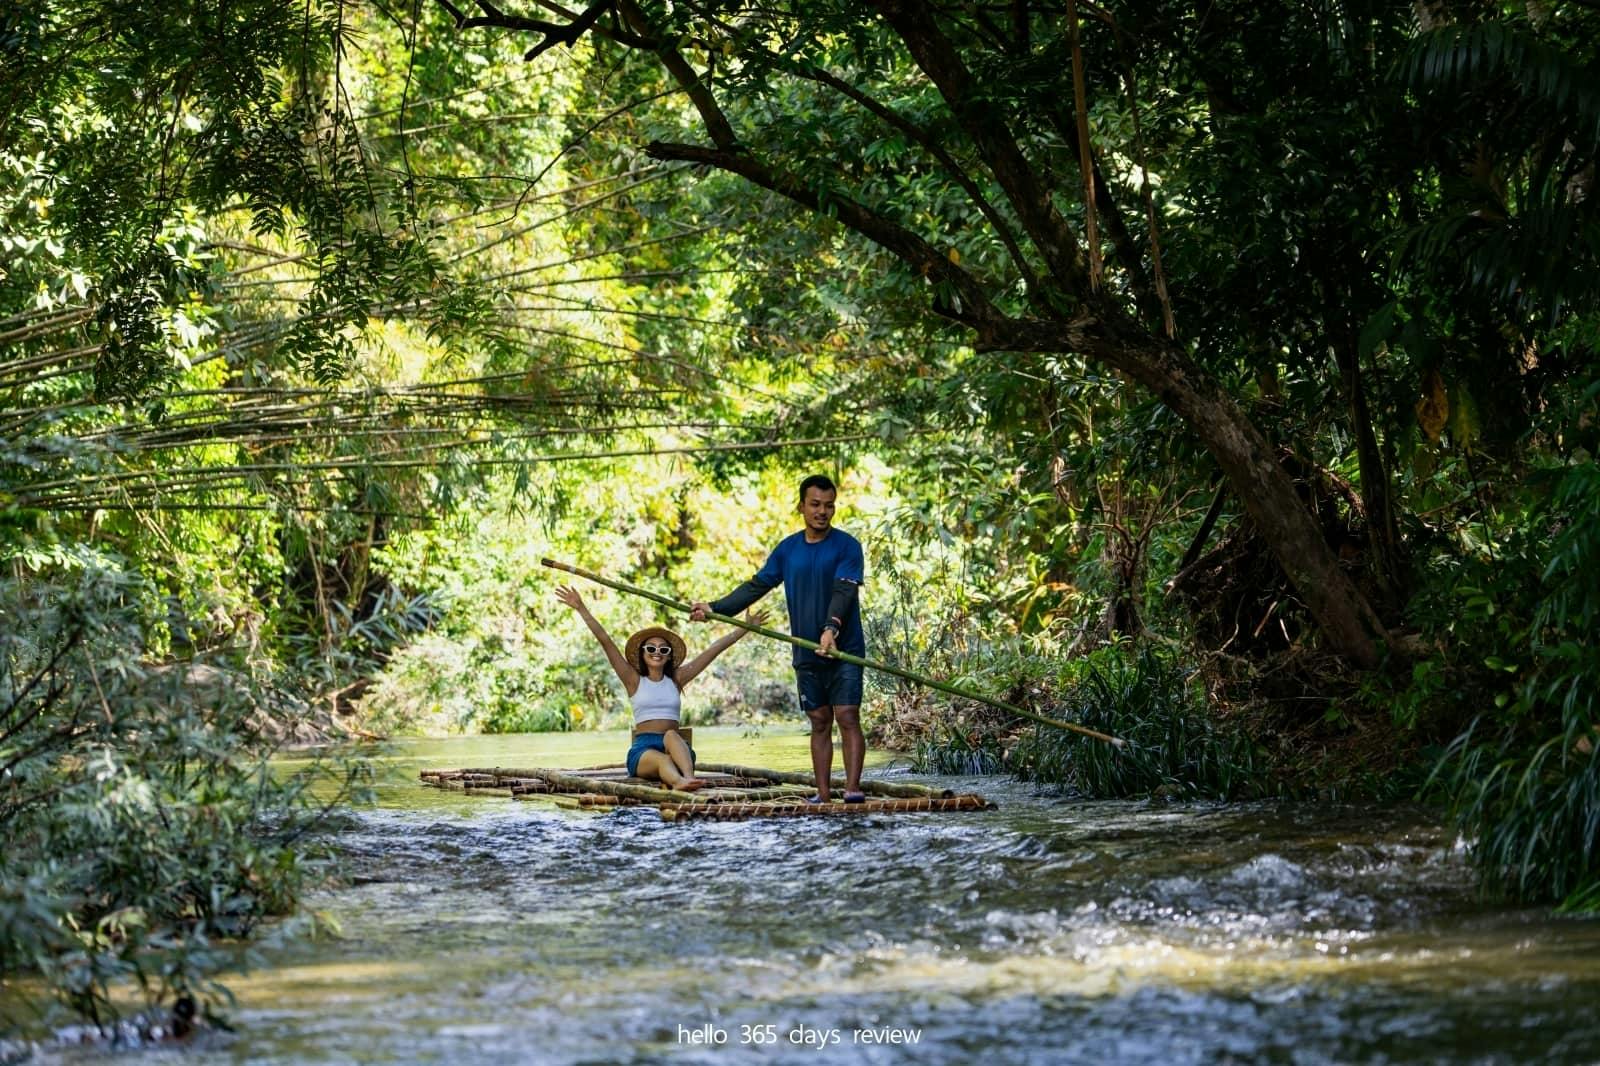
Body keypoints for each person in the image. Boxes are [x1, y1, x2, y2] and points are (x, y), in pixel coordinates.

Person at [690, 474, 866, 803]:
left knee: (846, 714)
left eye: (829, 506)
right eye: (815, 504)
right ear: (801, 506)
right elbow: (757, 585)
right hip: (805, 648)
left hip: (844, 647)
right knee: (819, 719)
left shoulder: (847, 546)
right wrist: (715, 607)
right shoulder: (788, 550)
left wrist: (831, 629)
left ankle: (853, 789)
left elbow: (844, 590)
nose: (822, 512)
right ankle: (823, 794)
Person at [555, 585, 764, 791]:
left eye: (663, 649)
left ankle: (689, 778)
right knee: (663, 760)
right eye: (651, 648)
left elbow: (713, 651)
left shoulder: (677, 678)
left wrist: (745, 628)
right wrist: (581, 608)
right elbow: (606, 642)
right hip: (644, 750)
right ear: (643, 653)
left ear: (669, 655)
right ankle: (680, 782)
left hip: (676, 750)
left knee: (672, 736)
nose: (657, 652)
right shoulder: (633, 680)